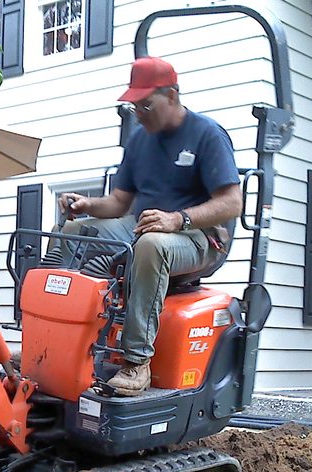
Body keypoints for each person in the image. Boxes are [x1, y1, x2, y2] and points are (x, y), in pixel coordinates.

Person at [56, 56, 243, 396]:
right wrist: (87, 206)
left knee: (151, 245)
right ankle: (66, 342)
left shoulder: (207, 135)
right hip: (144, 226)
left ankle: (137, 361)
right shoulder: (140, 141)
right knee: (75, 232)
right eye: (134, 107)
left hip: (200, 238)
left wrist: (178, 219)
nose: (139, 113)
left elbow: (232, 203)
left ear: (172, 96)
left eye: (146, 104)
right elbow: (118, 203)